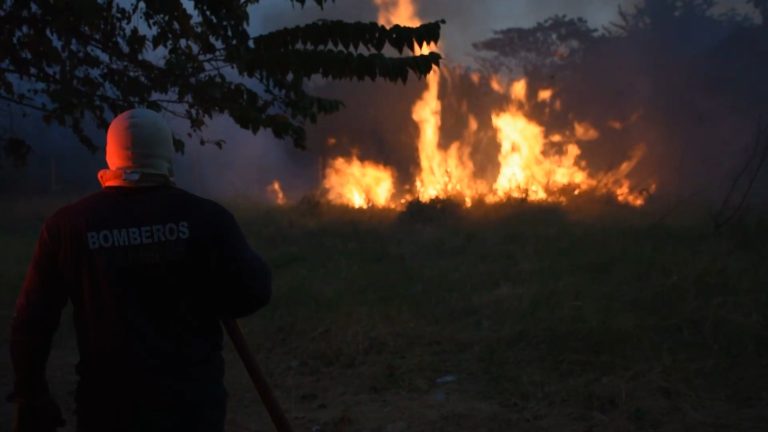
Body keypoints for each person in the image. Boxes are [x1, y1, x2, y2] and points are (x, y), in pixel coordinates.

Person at [9, 108, 272, 432]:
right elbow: (254, 293)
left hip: (107, 408)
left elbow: (32, 321)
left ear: (111, 156)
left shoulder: (68, 226)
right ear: (166, 152)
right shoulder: (206, 218)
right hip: (191, 405)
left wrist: (31, 394)